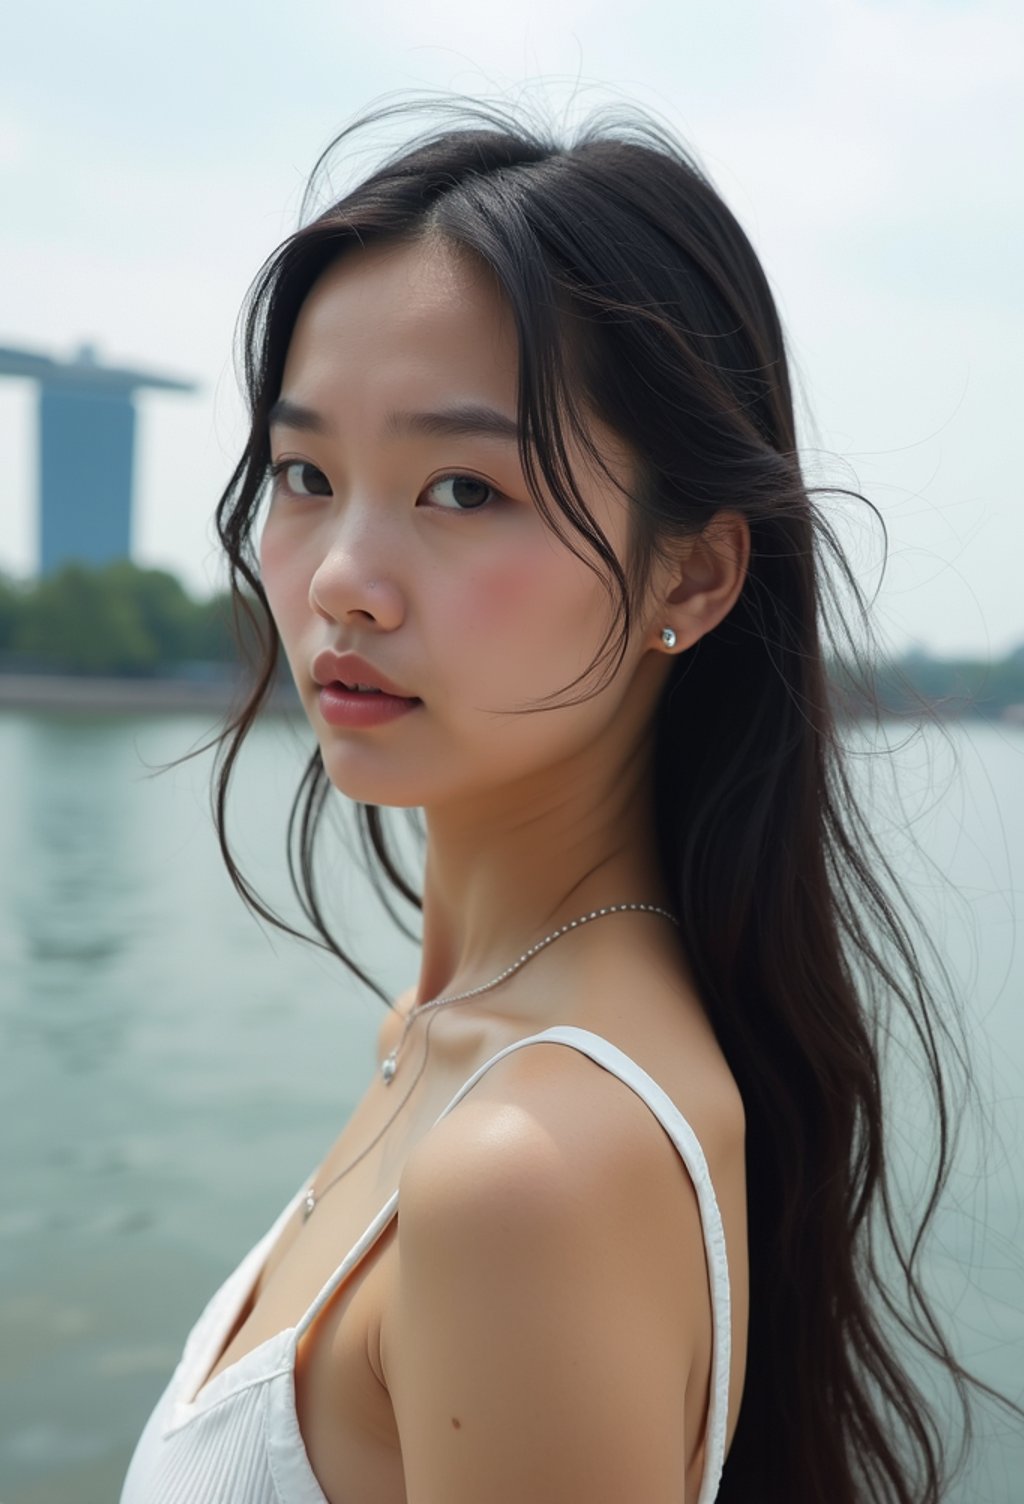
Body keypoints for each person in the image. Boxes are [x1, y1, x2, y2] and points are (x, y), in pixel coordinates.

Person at [120, 97, 1002, 1504]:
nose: (343, 574)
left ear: (695, 577)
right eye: (304, 474)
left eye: (462, 489)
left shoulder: (530, 1171)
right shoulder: (441, 1037)